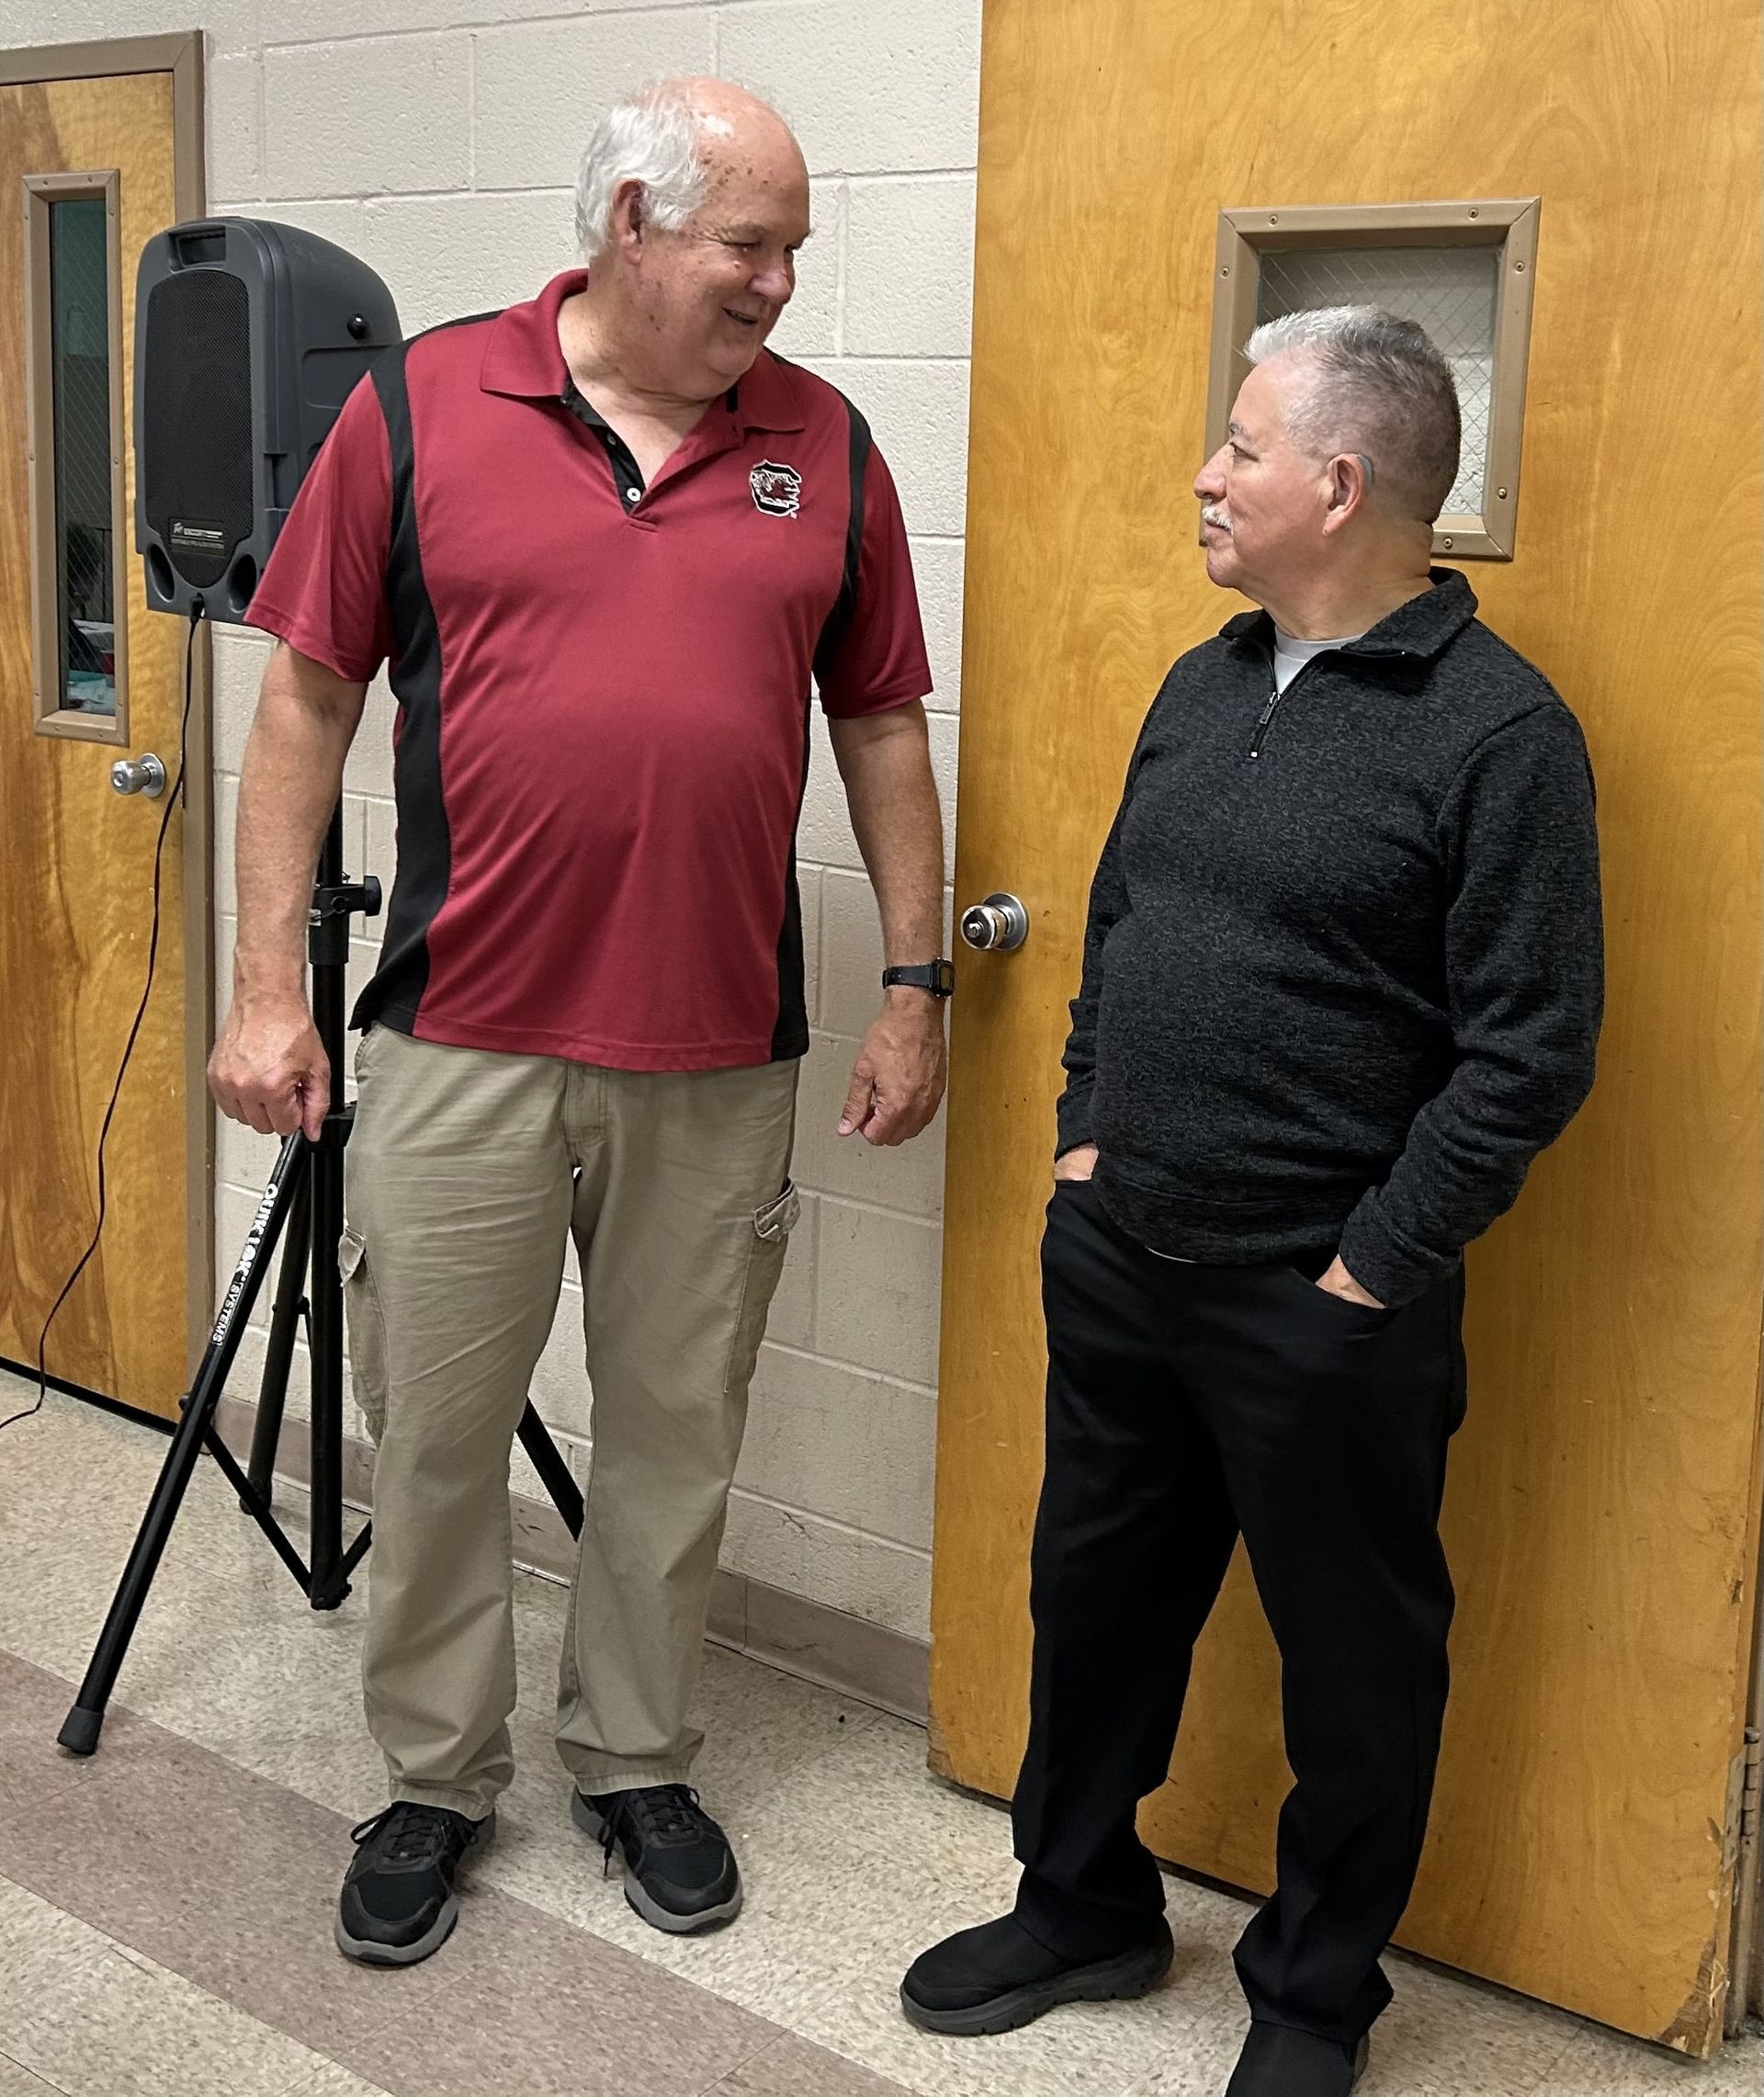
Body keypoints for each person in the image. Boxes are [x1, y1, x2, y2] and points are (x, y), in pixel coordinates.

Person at [210, 75, 951, 1968]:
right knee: (436, 1433)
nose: (781, 282)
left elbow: (879, 722)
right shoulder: (419, 406)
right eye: (750, 244)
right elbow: (303, 702)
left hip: (716, 1050)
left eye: (793, 248)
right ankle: (434, 1777)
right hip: (461, 1035)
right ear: (632, 221)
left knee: (675, 1440)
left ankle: (635, 1755)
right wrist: (271, 989)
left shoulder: (827, 446)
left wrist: (917, 983)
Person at [901, 308, 1602, 2097]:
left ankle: (1311, 1993)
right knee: (1095, 1606)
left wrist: (1371, 1266)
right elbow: (1122, 923)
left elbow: (1530, 1050)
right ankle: (1081, 1904)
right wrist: (1084, 1141)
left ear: (1341, 484)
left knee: (1356, 1668)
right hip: (1124, 1252)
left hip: (1323, 1298)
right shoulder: (1203, 680)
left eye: (1242, 446)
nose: (1208, 477)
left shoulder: (1500, 733)